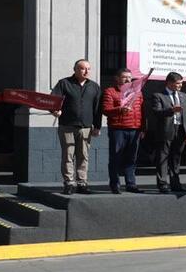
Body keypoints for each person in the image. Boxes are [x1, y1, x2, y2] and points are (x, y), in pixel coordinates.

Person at [50, 59, 103, 195]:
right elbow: (53, 100)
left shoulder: (94, 87)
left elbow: (97, 108)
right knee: (68, 155)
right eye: (83, 68)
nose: (86, 71)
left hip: (85, 127)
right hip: (67, 125)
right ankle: (69, 183)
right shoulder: (64, 83)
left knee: (83, 156)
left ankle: (82, 183)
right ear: (75, 70)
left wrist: (97, 126)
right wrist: (55, 110)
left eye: (88, 69)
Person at [101, 67, 143, 195]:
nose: (128, 79)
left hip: (135, 129)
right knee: (116, 157)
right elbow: (106, 110)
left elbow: (142, 112)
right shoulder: (110, 91)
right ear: (117, 78)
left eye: (130, 77)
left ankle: (131, 184)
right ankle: (115, 184)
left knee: (131, 158)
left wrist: (143, 128)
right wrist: (120, 109)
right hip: (118, 129)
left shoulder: (137, 92)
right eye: (125, 77)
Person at [149, 71, 186, 193]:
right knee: (163, 157)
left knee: (176, 158)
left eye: (181, 83)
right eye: (178, 83)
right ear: (169, 83)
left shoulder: (183, 96)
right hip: (165, 130)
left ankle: (176, 183)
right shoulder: (158, 95)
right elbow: (156, 112)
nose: (180, 86)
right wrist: (171, 110)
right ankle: (162, 183)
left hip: (180, 130)